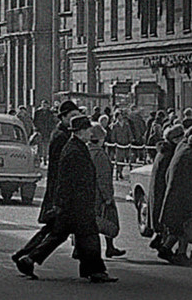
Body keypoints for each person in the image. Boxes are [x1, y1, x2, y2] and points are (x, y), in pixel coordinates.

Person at [14, 115, 117, 283]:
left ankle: (29, 259)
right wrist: (64, 203)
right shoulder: (75, 151)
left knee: (59, 236)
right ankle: (96, 271)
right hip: (77, 205)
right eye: (88, 129)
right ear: (81, 131)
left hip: (73, 204)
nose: (91, 132)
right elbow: (69, 181)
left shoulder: (76, 147)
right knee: (88, 237)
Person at [11, 100, 79, 262]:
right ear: (62, 117)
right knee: (58, 231)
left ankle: (23, 254)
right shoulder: (61, 137)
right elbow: (59, 168)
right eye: (72, 116)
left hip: (60, 192)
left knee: (54, 229)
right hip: (60, 192)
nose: (74, 119)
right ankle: (28, 257)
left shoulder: (64, 134)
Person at [159, 131, 192, 266]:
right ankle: (179, 253)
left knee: (182, 227)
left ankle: (184, 252)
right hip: (186, 198)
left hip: (179, 196)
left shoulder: (185, 152)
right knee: (185, 227)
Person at [87, 123, 125, 258]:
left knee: (89, 222)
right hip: (98, 195)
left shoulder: (85, 151)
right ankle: (108, 247)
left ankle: (109, 247)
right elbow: (103, 178)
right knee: (105, 220)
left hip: (87, 193)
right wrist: (108, 196)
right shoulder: (100, 155)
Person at [148, 124, 185, 257]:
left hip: (158, 190)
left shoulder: (163, 150)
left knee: (162, 219)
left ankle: (159, 239)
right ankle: (165, 246)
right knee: (171, 220)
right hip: (164, 191)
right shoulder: (171, 153)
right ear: (176, 139)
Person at [108, 110, 134, 180]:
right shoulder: (114, 126)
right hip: (119, 145)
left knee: (126, 160)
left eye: (121, 115)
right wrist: (114, 142)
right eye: (118, 115)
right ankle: (119, 173)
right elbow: (113, 136)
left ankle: (123, 171)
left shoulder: (126, 125)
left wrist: (131, 139)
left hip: (126, 144)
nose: (120, 117)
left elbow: (129, 133)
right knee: (119, 160)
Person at [32, 100, 56, 165]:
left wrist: (51, 129)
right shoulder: (37, 112)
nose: (44, 106)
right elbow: (34, 121)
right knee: (39, 145)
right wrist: (36, 128)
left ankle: (45, 159)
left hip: (47, 131)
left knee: (46, 146)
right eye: (43, 105)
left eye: (45, 105)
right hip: (40, 130)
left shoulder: (50, 113)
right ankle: (39, 158)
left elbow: (53, 122)